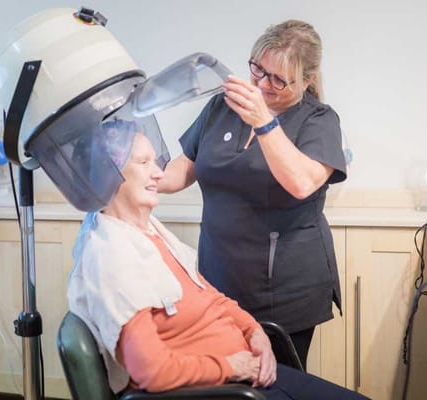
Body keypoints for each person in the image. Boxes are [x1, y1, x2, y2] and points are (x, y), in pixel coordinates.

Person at [67, 122, 369, 400]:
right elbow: (151, 371)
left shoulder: (149, 233)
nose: (159, 173)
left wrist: (255, 332)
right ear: (109, 173)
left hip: (244, 377)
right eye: (144, 163)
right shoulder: (112, 255)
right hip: (221, 390)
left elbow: (210, 298)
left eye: (154, 162)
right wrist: (230, 366)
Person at [158, 20, 347, 368]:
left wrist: (264, 122)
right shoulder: (222, 107)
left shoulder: (318, 121)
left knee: (275, 381)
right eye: (258, 70)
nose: (263, 84)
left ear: (308, 80)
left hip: (285, 288)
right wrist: (146, 177)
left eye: (278, 78)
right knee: (226, 376)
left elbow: (302, 183)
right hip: (219, 277)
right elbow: (186, 166)